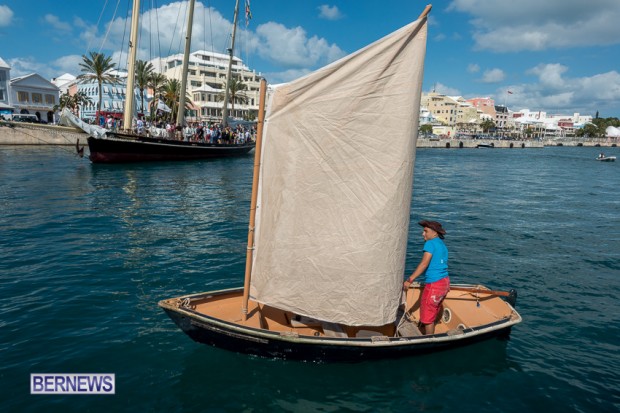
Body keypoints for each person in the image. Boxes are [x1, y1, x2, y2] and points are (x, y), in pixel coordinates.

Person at [403, 220, 450, 335]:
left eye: (425, 231)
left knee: (427, 319)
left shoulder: (430, 243)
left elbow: (424, 263)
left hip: (434, 284)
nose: (423, 234)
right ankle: (430, 329)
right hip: (444, 282)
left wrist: (410, 280)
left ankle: (429, 339)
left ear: (435, 233)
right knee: (435, 308)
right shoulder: (442, 244)